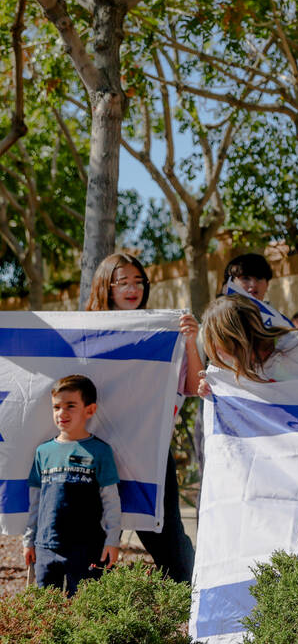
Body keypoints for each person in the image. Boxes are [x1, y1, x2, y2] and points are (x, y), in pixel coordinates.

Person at [83, 252, 201, 584]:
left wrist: (190, 342)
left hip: (149, 451)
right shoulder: (86, 334)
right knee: (94, 538)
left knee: (166, 537)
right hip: (95, 455)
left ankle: (187, 600)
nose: (133, 289)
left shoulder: (162, 334)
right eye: (123, 282)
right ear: (106, 286)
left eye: (139, 282)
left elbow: (194, 386)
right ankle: (94, 614)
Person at [23, 375, 121, 595]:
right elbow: (35, 502)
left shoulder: (101, 451)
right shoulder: (43, 452)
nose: (61, 413)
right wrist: (29, 541)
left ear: (90, 410)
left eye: (70, 406)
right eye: (56, 407)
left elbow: (111, 501)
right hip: (46, 547)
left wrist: (113, 540)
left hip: (88, 549)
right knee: (46, 613)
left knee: (87, 612)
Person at [199, 295, 298, 383]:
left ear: (239, 341)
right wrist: (214, 392)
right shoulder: (233, 366)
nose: (220, 355)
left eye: (220, 348)